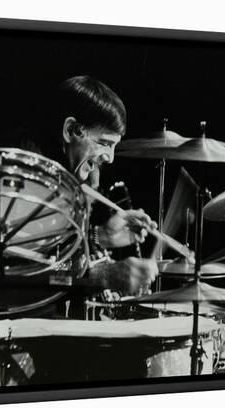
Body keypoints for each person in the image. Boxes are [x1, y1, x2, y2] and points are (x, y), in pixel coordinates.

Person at [14, 75, 159, 296]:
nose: (110, 158)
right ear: (71, 129)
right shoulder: (28, 174)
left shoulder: (60, 175)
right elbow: (18, 273)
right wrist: (102, 276)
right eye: (104, 143)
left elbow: (52, 251)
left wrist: (100, 236)